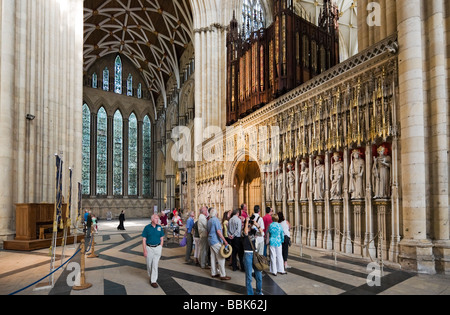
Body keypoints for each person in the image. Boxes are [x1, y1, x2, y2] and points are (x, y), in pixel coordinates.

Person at [207, 208, 231, 280]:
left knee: (213, 257)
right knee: (221, 257)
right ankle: (222, 275)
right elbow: (218, 231)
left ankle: (213, 273)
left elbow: (207, 231)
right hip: (216, 241)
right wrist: (225, 241)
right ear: (216, 214)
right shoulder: (216, 220)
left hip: (210, 240)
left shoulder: (209, 220)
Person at [142, 213, 165, 288]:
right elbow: (144, 239)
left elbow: (162, 238)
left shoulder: (159, 227)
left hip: (157, 248)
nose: (157, 219)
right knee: (149, 264)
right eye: (156, 218)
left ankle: (153, 280)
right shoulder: (147, 228)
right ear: (152, 219)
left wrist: (160, 246)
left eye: (158, 218)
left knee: (155, 265)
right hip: (149, 248)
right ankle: (150, 276)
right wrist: (145, 250)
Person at [243, 215, 264, 295]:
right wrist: (247, 222)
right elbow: (245, 232)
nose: (250, 225)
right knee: (249, 276)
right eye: (249, 223)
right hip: (247, 254)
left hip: (254, 254)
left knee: (258, 275)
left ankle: (259, 292)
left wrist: (256, 225)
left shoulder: (253, 231)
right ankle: (250, 293)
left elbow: (262, 234)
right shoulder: (243, 231)